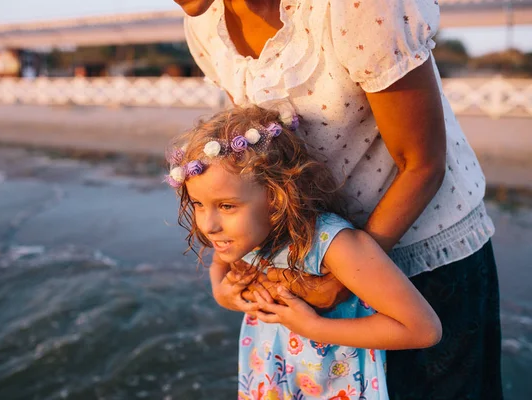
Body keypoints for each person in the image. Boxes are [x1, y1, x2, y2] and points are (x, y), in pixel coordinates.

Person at [173, 0, 503, 398]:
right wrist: (223, 273)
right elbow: (242, 171)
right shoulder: (206, 24)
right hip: (311, 257)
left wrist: (343, 279)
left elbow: (421, 163)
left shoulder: (358, 7)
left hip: (421, 252)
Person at [165, 106, 441, 399]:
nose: (209, 225)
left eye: (227, 206)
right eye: (198, 204)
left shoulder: (332, 245)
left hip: (336, 387)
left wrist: (315, 327)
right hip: (272, 381)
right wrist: (221, 292)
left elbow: (422, 329)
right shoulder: (241, 237)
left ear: (275, 195)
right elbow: (219, 264)